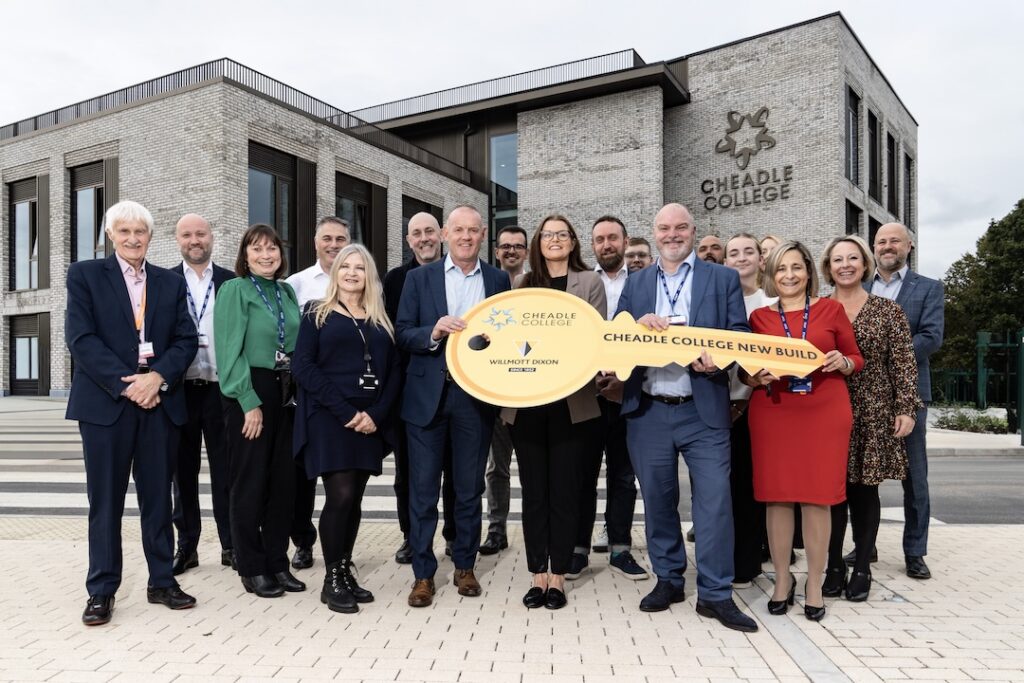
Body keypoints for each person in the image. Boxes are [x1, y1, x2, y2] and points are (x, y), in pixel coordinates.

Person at [611, 202, 757, 632]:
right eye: (663, 228)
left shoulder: (722, 277)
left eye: (680, 228)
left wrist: (721, 358)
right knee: (657, 501)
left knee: (714, 503)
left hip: (703, 407)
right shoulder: (636, 283)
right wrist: (636, 326)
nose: (672, 235)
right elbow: (618, 337)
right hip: (649, 409)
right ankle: (669, 579)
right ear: (654, 233)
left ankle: (715, 594)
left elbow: (740, 333)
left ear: (693, 231)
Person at [66, 200, 199, 626]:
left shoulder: (168, 283)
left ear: (150, 236)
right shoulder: (85, 275)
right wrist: (132, 384)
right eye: (123, 231)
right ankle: (102, 590)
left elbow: (186, 339)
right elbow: (81, 339)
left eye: (140, 231)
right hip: (107, 406)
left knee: (159, 498)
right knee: (104, 502)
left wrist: (156, 378)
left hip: (159, 404)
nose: (132, 238)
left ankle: (162, 580)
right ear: (110, 236)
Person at [395, 205, 511, 607]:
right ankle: (424, 574)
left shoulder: (498, 280)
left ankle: (464, 565)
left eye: (473, 231)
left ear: (483, 237)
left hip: (474, 400)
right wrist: (434, 331)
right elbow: (403, 333)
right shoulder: (418, 278)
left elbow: (509, 337)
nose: (465, 237)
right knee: (423, 492)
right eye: (458, 230)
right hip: (427, 396)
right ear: (445, 235)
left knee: (467, 489)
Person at [744, 241, 862, 622]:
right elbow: (745, 371)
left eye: (796, 267)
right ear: (771, 275)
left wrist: (843, 360)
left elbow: (856, 357)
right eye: (781, 269)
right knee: (776, 498)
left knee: (818, 498)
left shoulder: (831, 309)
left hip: (824, 412)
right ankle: (782, 581)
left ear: (809, 271)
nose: (789, 275)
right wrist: (753, 375)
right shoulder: (759, 318)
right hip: (773, 412)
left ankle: (814, 582)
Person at [499, 215, 606, 609]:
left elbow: (594, 340)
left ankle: (558, 576)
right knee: (533, 494)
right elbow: (511, 342)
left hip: (571, 405)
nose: (555, 240)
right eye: (548, 235)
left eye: (562, 234)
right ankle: (536, 574)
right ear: (538, 244)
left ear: (573, 241)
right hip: (527, 405)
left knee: (564, 491)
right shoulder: (522, 284)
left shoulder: (589, 283)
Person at [293, 244, 401, 613]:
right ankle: (331, 579)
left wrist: (376, 414)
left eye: (359, 268)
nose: (352, 273)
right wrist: (345, 411)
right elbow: (303, 368)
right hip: (330, 419)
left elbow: (394, 374)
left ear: (368, 275)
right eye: (345, 267)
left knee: (354, 499)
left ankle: (344, 568)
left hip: (369, 421)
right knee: (338, 496)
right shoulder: (315, 314)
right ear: (335, 272)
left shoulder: (380, 319)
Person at [820, 235, 919, 601]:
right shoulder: (817, 308)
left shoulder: (887, 311)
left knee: (864, 491)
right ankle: (832, 565)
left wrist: (906, 407)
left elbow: (904, 363)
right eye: (837, 260)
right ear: (828, 268)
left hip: (873, 409)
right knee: (829, 495)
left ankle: (861, 567)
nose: (845, 265)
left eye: (852, 259)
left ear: (864, 264)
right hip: (825, 410)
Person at [215, 224, 305, 598]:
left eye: (272, 248)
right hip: (251, 390)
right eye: (257, 249)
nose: (266, 255)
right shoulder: (235, 289)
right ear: (245, 255)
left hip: (287, 392)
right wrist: (248, 402)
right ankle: (251, 566)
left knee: (283, 484)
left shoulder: (285, 291)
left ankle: (277, 562)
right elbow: (228, 350)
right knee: (249, 482)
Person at [571, 215, 647, 580]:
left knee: (622, 475)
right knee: (582, 475)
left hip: (627, 395)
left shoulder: (645, 283)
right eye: (599, 239)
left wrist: (623, 380)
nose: (606, 245)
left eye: (612, 238)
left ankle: (620, 548)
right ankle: (577, 550)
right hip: (586, 393)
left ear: (625, 240)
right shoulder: (582, 282)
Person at [870, 223, 944, 580]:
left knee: (915, 478)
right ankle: (865, 546)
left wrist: (885, 353)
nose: (887, 246)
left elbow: (930, 338)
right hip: (863, 394)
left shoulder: (928, 288)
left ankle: (915, 552)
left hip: (909, 395)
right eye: (881, 241)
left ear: (908, 246)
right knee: (862, 474)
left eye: (894, 240)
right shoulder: (859, 287)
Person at [383, 212, 456, 564]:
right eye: (417, 233)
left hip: (457, 386)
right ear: (409, 240)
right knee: (409, 474)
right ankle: (411, 537)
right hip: (409, 389)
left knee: (456, 474)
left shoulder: (459, 273)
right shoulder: (395, 279)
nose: (424, 238)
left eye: (430, 231)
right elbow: (391, 334)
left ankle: (455, 536)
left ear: (441, 235)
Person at [283, 217, 351, 570]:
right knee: (302, 477)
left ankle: (340, 550)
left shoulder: (361, 279)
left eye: (341, 238)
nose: (334, 244)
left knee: (342, 480)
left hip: (348, 398)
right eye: (327, 238)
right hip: (306, 394)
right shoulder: (295, 285)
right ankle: (303, 542)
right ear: (315, 242)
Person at [170, 213, 236, 575]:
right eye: (187, 235)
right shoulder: (163, 281)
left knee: (227, 473)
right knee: (183, 474)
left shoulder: (230, 282)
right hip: (180, 391)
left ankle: (230, 545)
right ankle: (187, 547)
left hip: (220, 391)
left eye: (201, 234)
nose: (194, 240)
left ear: (212, 237)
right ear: (177, 239)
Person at [723, 232, 775, 587]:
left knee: (753, 487)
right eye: (733, 253)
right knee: (722, 488)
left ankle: (749, 561)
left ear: (761, 259)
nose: (741, 258)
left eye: (748, 252)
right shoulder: (718, 297)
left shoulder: (770, 302)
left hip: (764, 405)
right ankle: (724, 558)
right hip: (722, 406)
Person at [481, 225, 529, 555]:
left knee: (533, 468)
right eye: (505, 247)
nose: (511, 251)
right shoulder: (486, 287)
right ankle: (496, 529)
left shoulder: (536, 287)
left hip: (529, 392)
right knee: (495, 468)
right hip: (494, 392)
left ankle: (537, 531)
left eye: (517, 246)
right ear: (497, 251)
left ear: (526, 251)